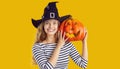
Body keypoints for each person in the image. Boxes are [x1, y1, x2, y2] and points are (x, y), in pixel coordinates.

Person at [32, 2, 88, 69]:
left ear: (59, 25)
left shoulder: (67, 44)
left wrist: (84, 41)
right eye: (47, 23)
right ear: (43, 26)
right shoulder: (38, 47)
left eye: (54, 23)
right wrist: (58, 46)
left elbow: (83, 64)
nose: (51, 26)